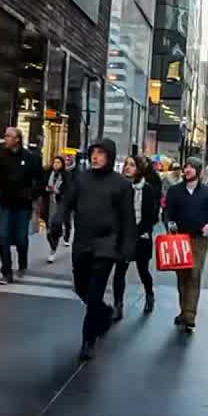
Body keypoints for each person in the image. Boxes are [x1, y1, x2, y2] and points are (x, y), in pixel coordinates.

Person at [53, 139, 136, 360]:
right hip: (82, 242)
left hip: (107, 244)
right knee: (81, 287)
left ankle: (88, 340)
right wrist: (57, 220)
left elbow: (128, 219)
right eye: (93, 153)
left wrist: (127, 249)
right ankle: (104, 312)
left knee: (96, 290)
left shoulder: (121, 185)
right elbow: (66, 203)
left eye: (100, 153)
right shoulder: (81, 179)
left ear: (109, 156)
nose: (95, 157)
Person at [163, 157, 208, 332]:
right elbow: (167, 212)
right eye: (186, 167)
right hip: (179, 239)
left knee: (194, 274)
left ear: (198, 170)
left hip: (198, 239)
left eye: (191, 167)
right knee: (182, 276)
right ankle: (183, 310)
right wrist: (169, 223)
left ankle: (190, 314)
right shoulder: (175, 191)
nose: (187, 170)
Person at [0, 126, 42, 283]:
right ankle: (6, 271)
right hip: (5, 201)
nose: (5, 139)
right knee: (3, 236)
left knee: (20, 237)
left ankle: (22, 262)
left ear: (17, 139)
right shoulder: (1, 156)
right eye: (5, 136)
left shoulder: (30, 158)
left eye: (8, 136)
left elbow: (39, 180)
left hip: (22, 204)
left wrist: (31, 195)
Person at [113, 154, 161, 319]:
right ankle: (118, 305)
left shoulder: (146, 189)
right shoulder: (119, 186)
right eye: (126, 164)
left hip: (141, 236)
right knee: (120, 271)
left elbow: (152, 216)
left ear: (139, 169)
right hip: (122, 236)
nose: (128, 167)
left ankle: (149, 294)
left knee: (143, 270)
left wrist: (139, 231)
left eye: (132, 165)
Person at [43, 156, 70, 262]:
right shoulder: (48, 173)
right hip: (48, 203)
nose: (56, 164)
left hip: (60, 203)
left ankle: (53, 249)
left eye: (58, 162)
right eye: (54, 162)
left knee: (56, 225)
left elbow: (68, 189)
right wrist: (46, 189)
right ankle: (53, 243)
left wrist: (58, 191)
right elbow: (41, 184)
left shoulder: (66, 175)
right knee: (49, 230)